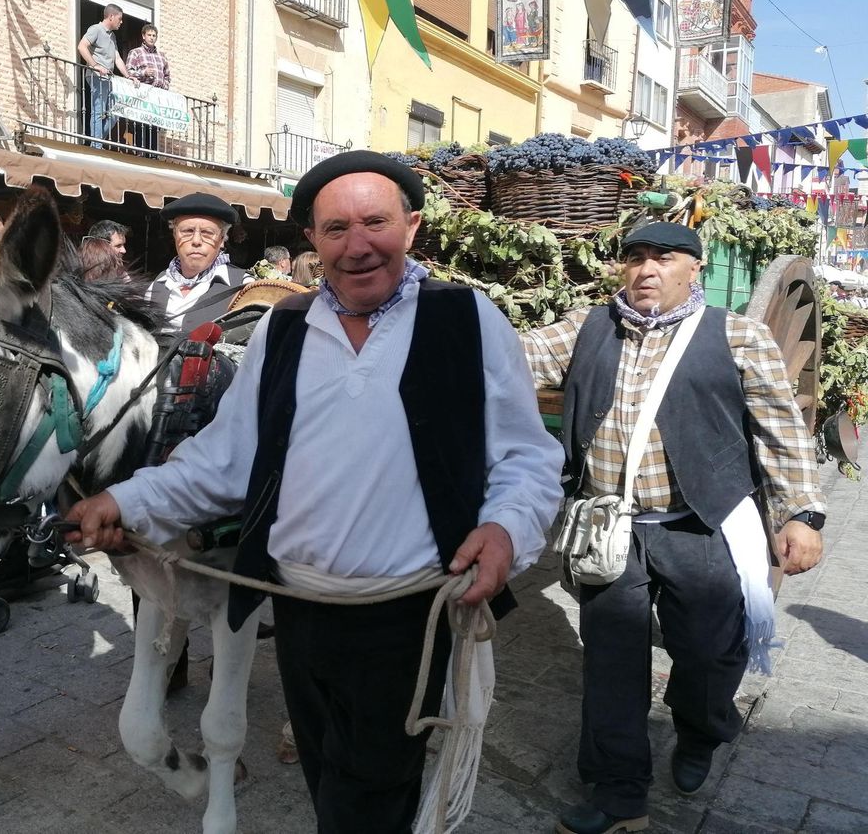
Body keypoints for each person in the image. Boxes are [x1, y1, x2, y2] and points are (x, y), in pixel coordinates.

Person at [68, 150, 563, 833]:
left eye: (376, 222)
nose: (358, 245)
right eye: (336, 229)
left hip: (404, 618)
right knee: (327, 773)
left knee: (367, 796)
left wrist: (506, 528)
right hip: (295, 614)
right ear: (314, 241)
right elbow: (223, 459)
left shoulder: (467, 319)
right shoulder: (286, 328)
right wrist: (123, 502)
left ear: (412, 227)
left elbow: (526, 456)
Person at [521, 222, 826, 834]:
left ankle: (700, 731)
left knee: (710, 655)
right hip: (611, 529)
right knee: (609, 660)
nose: (647, 270)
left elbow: (781, 430)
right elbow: (508, 355)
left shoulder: (737, 335)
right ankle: (619, 794)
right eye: (634, 259)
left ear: (696, 267)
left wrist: (801, 514)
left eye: (664, 258)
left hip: (701, 525)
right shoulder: (588, 327)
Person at [146, 192, 253, 332]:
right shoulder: (156, 286)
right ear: (174, 236)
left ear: (222, 239)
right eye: (187, 231)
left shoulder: (244, 287)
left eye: (207, 233)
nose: (196, 241)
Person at [77, 4, 128, 147]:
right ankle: (96, 146)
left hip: (109, 79)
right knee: (98, 110)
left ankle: (96, 142)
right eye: (120, 18)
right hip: (96, 77)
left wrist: (128, 76)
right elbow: (82, 46)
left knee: (115, 113)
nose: (121, 22)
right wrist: (95, 65)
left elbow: (117, 58)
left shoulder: (112, 36)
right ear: (111, 16)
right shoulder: (96, 29)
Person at [124, 24, 171, 153]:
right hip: (142, 95)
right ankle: (141, 153)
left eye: (154, 35)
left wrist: (163, 87)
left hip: (157, 96)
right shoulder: (136, 53)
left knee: (154, 126)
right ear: (143, 36)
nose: (151, 38)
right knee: (141, 124)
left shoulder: (162, 56)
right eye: (149, 35)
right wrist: (143, 73)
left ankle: (153, 155)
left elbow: (167, 76)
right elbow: (128, 72)